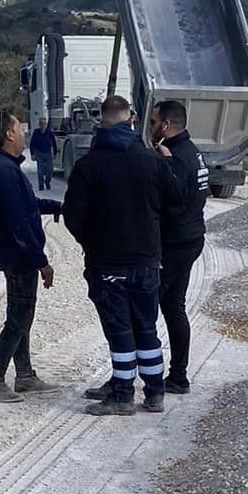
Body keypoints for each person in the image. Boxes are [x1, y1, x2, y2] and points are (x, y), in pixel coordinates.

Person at [63, 95, 183, 416]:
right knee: (147, 328)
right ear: (131, 120)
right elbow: (175, 200)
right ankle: (155, 392)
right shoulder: (153, 161)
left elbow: (73, 218)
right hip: (146, 262)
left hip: (107, 264)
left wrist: (94, 243)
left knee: (120, 332)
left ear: (101, 121)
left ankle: (122, 395)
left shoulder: (88, 165)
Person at [0, 108, 64, 403]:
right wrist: (42, 262)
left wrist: (58, 206)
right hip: (18, 257)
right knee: (18, 319)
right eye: (19, 127)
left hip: (15, 255)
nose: (25, 131)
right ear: (8, 134)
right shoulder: (2, 170)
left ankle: (25, 375)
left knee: (22, 315)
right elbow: (19, 223)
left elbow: (28, 205)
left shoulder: (4, 167)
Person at [147, 99, 208, 394]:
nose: (151, 127)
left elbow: (173, 202)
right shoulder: (194, 153)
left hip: (174, 243)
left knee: (145, 309)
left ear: (167, 125)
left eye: (154, 122)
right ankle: (178, 377)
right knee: (173, 307)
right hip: (192, 238)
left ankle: (134, 381)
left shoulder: (176, 158)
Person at [29, 118, 56, 191]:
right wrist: (32, 154)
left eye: (44, 124)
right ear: (39, 124)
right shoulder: (36, 132)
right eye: (41, 123)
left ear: (46, 125)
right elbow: (32, 144)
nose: (43, 125)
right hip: (39, 153)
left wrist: (55, 153)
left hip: (48, 153)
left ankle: (47, 182)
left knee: (49, 170)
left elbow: (54, 143)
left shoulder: (49, 133)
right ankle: (41, 185)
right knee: (40, 171)